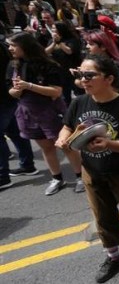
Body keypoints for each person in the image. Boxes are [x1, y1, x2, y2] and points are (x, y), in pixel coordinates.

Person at [55, 55, 119, 282]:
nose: (83, 80)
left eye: (89, 75)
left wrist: (108, 143)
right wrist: (62, 139)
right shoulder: (79, 102)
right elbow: (67, 127)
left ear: (108, 79)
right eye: (80, 75)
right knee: (103, 216)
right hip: (92, 170)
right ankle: (114, 256)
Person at [6, 32, 84, 195]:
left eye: (13, 45)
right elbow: (12, 92)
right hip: (27, 113)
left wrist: (29, 86)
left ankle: (81, 177)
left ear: (25, 46)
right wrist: (17, 90)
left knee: (66, 145)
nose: (10, 48)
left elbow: (56, 92)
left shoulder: (47, 64)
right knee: (46, 147)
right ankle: (57, 178)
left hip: (51, 112)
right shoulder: (14, 65)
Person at [1, 34, 36, 189]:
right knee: (15, 131)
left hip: (5, 97)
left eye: (13, 46)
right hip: (8, 95)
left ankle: (2, 175)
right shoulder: (6, 50)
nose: (10, 48)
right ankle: (27, 164)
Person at [83, 30, 119, 100]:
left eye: (91, 44)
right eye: (87, 43)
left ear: (103, 47)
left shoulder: (117, 66)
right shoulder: (92, 63)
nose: (87, 46)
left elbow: (113, 90)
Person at [45, 21, 83, 105]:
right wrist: (54, 43)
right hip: (60, 70)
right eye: (52, 28)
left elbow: (69, 51)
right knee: (65, 94)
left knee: (78, 91)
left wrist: (59, 42)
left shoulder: (72, 39)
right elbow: (46, 52)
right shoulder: (52, 40)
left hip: (72, 69)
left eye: (55, 28)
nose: (53, 30)